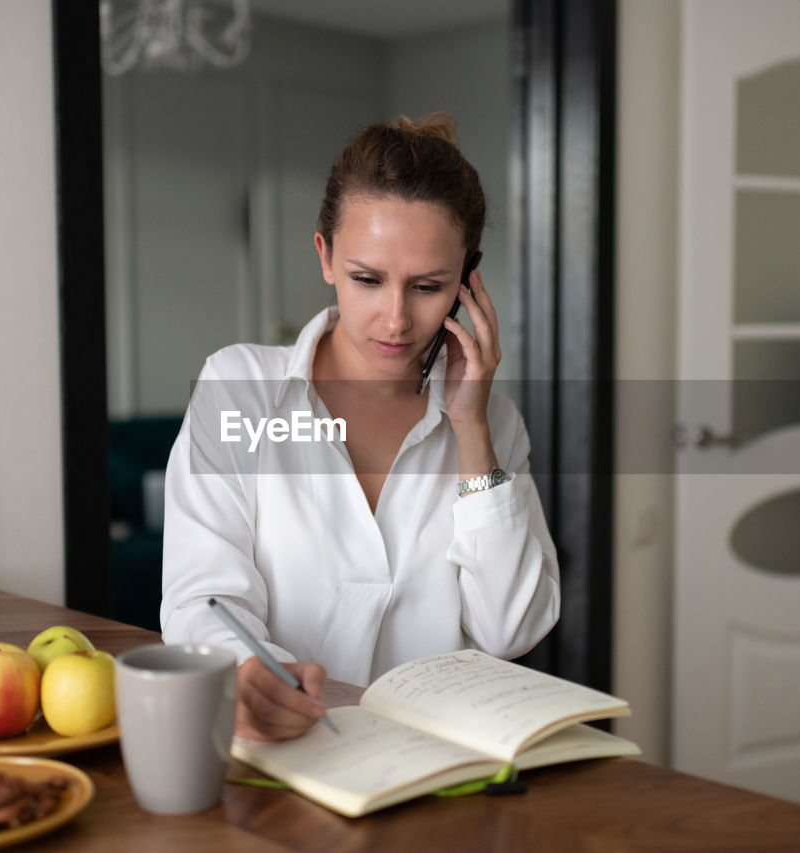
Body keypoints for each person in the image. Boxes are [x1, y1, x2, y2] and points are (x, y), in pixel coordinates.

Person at [160, 113, 559, 741]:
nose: (395, 319)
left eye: (429, 286)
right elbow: (202, 599)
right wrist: (250, 676)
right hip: (282, 749)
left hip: (433, 766)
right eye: (367, 279)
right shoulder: (238, 388)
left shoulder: (493, 426)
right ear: (325, 256)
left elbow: (509, 631)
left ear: (467, 283)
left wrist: (471, 430)